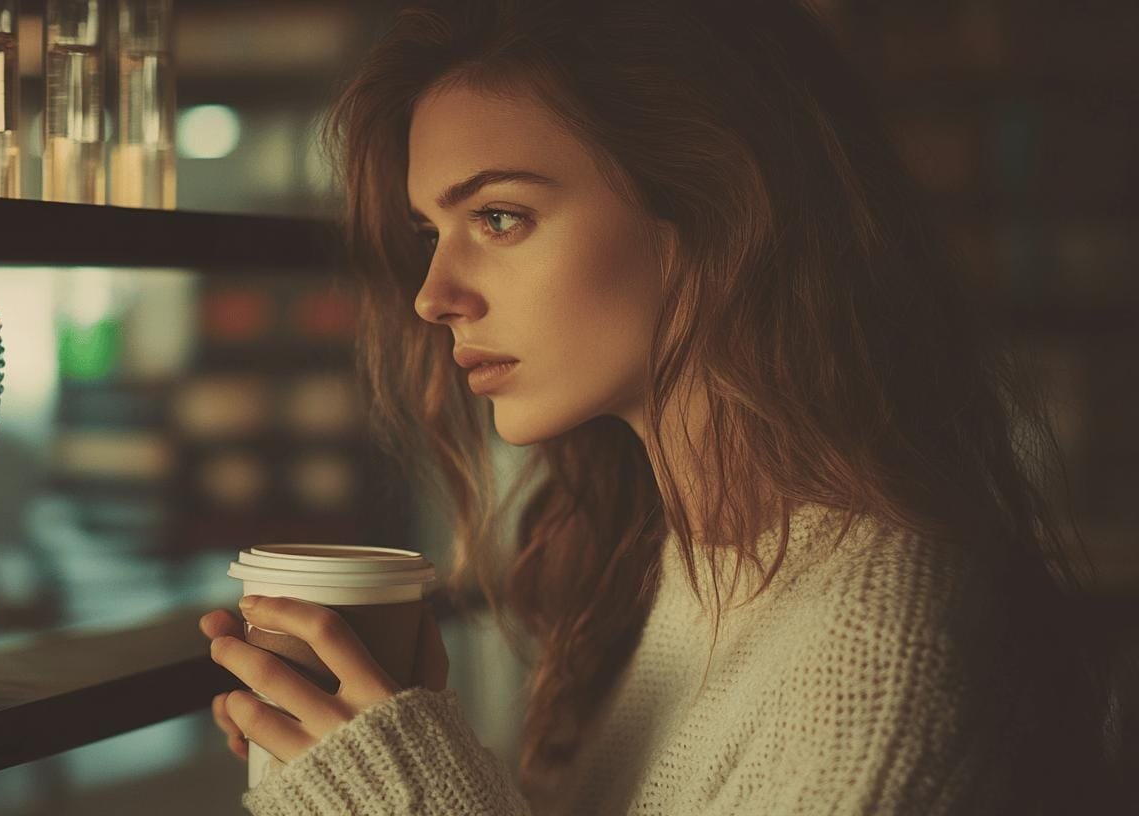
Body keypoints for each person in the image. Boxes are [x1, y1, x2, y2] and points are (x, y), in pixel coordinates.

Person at [197, 0, 1129, 813]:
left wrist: (401, 793)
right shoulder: (665, 569)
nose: (433, 294)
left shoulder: (885, 650)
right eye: (430, 232)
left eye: (499, 218)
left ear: (719, 203)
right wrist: (334, 753)